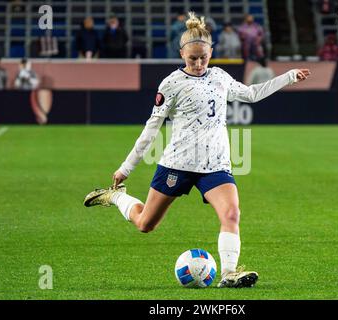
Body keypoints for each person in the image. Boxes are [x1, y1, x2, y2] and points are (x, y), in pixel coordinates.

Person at [83, 12, 310, 288]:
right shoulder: (171, 84)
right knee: (145, 224)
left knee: (231, 214)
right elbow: (151, 129)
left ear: (211, 51)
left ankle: (228, 273)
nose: (199, 63)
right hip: (177, 164)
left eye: (204, 57)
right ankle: (116, 198)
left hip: (215, 166)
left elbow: (251, 94)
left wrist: (288, 77)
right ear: (182, 54)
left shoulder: (220, 77)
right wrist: (125, 168)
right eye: (193, 58)